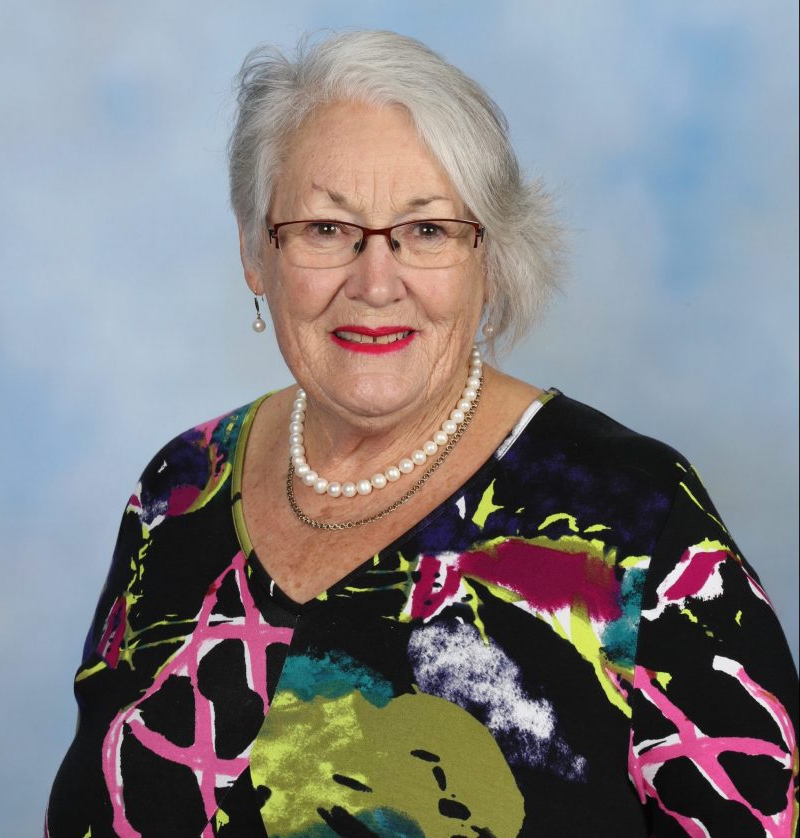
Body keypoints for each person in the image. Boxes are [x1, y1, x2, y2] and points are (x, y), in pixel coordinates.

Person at [47, 30, 797, 837]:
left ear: (490, 257)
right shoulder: (178, 487)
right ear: (255, 256)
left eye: (428, 231)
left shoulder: (635, 519)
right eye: (326, 229)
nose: (376, 281)